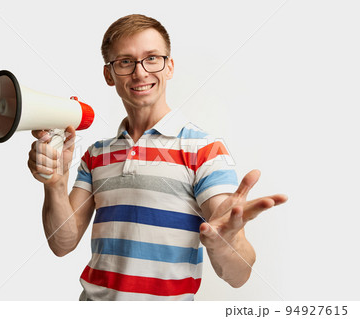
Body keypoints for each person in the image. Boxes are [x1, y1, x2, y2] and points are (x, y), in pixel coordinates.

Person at [27, 14, 287, 301]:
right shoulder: (96, 154)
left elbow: (239, 276)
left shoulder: (204, 150)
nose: (140, 73)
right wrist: (54, 184)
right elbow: (63, 243)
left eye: (152, 58)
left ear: (170, 66)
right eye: (125, 61)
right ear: (109, 74)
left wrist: (227, 243)